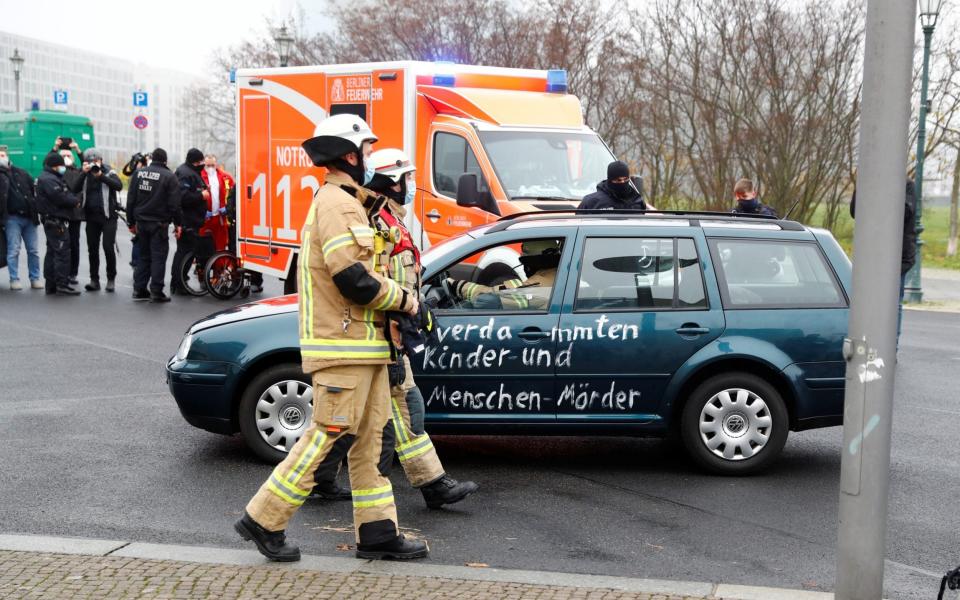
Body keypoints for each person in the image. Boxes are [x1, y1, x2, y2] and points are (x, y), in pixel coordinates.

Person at [235, 114, 427, 562]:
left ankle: (378, 534)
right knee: (326, 435)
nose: (370, 160)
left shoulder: (351, 202)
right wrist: (408, 303)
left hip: (367, 348)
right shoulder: (336, 204)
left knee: (369, 439)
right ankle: (264, 518)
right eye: (366, 151)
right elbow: (353, 279)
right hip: (343, 350)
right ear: (349, 154)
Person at [309, 148, 479, 509]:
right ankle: (416, 486)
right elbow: (373, 279)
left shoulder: (390, 218)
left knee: (388, 416)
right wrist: (401, 317)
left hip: (393, 334)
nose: (412, 186)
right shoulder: (373, 219)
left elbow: (405, 275)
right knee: (384, 419)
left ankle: (426, 483)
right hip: (380, 337)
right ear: (392, 182)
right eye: (407, 178)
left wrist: (418, 310)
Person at [850, 181, 916, 345]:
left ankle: (891, 346)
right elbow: (855, 211)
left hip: (897, 258)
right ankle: (869, 342)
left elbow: (904, 213)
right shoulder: (869, 179)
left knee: (893, 303)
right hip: (871, 256)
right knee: (867, 302)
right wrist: (863, 184)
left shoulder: (906, 185)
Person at [126, 148, 182, 302]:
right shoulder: (169, 177)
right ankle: (156, 291)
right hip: (159, 224)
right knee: (158, 257)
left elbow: (130, 199)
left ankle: (139, 290)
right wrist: (178, 224)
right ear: (165, 160)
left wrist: (130, 222)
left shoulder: (139, 173)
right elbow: (174, 205)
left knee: (144, 256)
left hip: (141, 223)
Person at [446, 239, 561, 310]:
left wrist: (457, 286)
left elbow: (488, 297)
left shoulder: (536, 285)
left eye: (525, 263)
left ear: (533, 263)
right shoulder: (560, 274)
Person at [36, 152, 81, 296]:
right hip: (56, 221)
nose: (63, 167)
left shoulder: (51, 177)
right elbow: (60, 197)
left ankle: (51, 284)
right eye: (61, 165)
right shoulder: (49, 179)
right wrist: (75, 201)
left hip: (52, 220)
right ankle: (61, 283)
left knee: (52, 252)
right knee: (62, 252)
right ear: (55, 166)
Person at [78, 149, 123, 292]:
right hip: (91, 217)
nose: (94, 164)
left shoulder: (109, 172)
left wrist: (101, 176)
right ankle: (94, 280)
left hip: (108, 217)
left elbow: (119, 186)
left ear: (101, 160)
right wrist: (84, 173)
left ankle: (111, 279)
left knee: (108, 247)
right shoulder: (85, 174)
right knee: (92, 249)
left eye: (96, 161)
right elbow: (74, 188)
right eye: (91, 162)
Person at [1, 145, 42, 290]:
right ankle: (14, 279)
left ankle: (35, 278)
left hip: (29, 218)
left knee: (33, 250)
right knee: (14, 249)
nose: (2, 157)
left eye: (3, 154)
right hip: (12, 218)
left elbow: (33, 190)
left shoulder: (21, 172)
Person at [171, 148, 209, 295]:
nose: (203, 164)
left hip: (191, 220)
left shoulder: (190, 172)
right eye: (201, 162)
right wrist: (201, 196)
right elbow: (183, 197)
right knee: (185, 252)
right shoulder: (185, 174)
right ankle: (179, 283)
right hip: (187, 220)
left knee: (185, 252)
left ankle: (179, 281)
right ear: (195, 161)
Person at [53, 138, 85, 286]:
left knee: (74, 244)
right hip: (59, 213)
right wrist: (55, 147)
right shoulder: (56, 173)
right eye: (63, 156)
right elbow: (47, 161)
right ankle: (59, 273)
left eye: (68, 156)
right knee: (58, 244)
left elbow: (87, 165)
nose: (66, 158)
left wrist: (77, 150)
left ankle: (73, 273)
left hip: (75, 214)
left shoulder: (78, 171)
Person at [579, 160, 647, 211]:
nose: (622, 182)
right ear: (610, 180)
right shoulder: (591, 202)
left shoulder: (637, 201)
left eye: (625, 179)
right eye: (618, 180)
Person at [122, 152, 151, 268]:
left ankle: (136, 262)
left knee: (138, 239)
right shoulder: (138, 174)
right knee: (139, 240)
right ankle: (137, 262)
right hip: (140, 212)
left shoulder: (137, 174)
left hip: (137, 211)